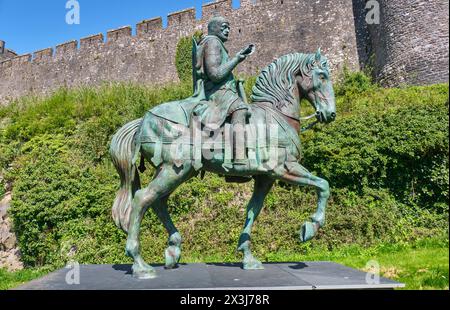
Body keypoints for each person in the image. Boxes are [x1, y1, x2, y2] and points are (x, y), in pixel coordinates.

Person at [192, 15, 255, 167]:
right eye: (224, 27)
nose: (227, 30)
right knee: (239, 109)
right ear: (214, 28)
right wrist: (237, 59)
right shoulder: (212, 42)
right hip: (217, 92)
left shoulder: (217, 43)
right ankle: (239, 159)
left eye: (228, 28)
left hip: (223, 90)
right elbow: (215, 74)